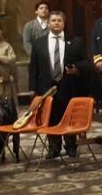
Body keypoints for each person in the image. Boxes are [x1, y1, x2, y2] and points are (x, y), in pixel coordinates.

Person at [28, 11, 87, 159]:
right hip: (46, 87)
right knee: (50, 117)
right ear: (48, 23)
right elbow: (33, 67)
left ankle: (71, 146)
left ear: (64, 23)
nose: (56, 23)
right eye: (53, 20)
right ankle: (53, 147)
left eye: (59, 21)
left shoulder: (75, 41)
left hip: (69, 85)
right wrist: (33, 89)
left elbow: (85, 62)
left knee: (69, 116)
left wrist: (77, 69)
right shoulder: (39, 43)